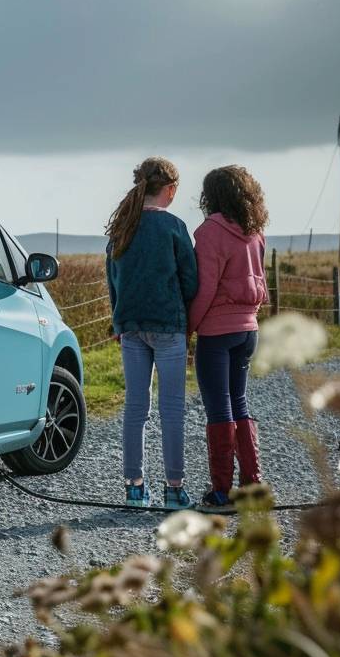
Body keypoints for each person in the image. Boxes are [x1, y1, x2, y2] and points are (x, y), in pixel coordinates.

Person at [106, 157, 198, 510]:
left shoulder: (121, 228)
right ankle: (174, 489)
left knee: (135, 408)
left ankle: (134, 487)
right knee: (171, 410)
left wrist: (119, 322)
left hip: (130, 327)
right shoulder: (175, 227)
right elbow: (190, 280)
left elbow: (112, 279)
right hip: (168, 326)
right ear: (171, 189)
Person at [188, 165, 269, 510]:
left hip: (217, 333)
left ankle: (221, 491)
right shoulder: (256, 231)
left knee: (219, 407)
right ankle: (253, 485)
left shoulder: (209, 232)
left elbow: (205, 290)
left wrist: (188, 327)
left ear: (212, 195)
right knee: (240, 403)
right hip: (248, 329)